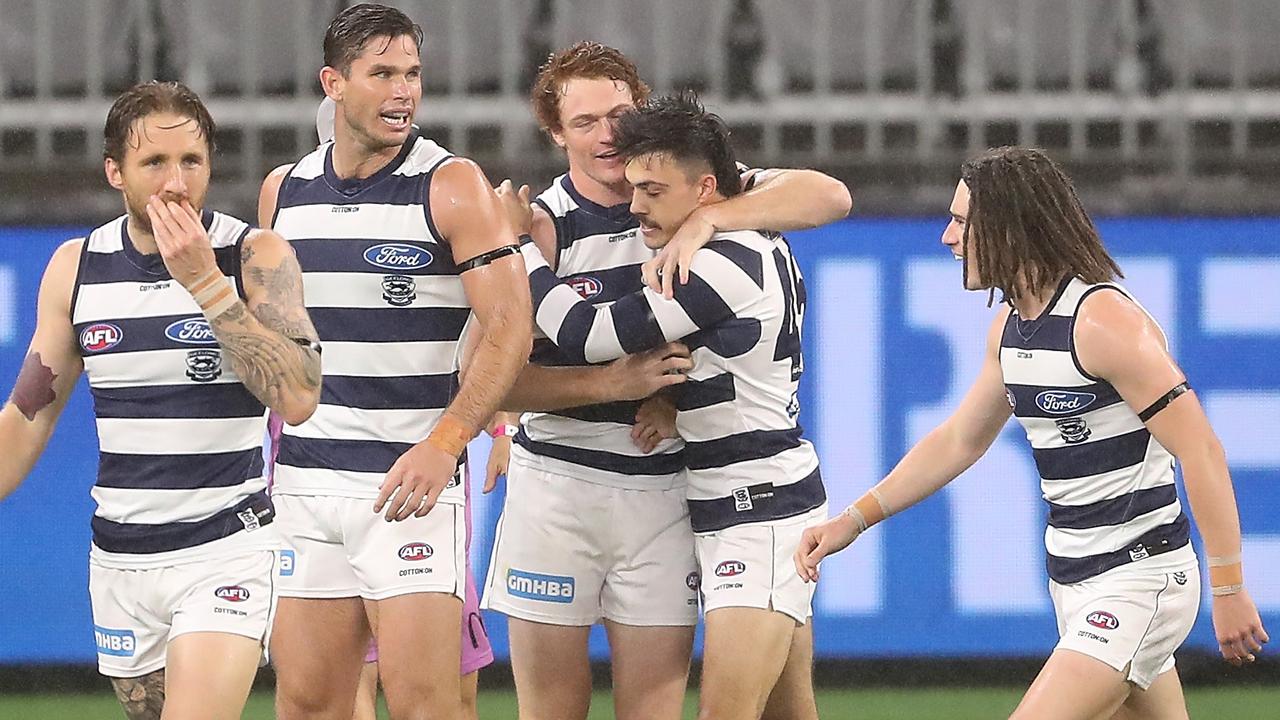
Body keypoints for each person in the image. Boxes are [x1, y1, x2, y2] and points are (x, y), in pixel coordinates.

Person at [795, 146, 1269, 720]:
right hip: (1074, 583)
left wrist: (1228, 587)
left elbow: (1202, 449)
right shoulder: (1009, 330)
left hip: (1140, 578)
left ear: (1010, 227)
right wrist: (853, 519)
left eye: (962, 223)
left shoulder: (1103, 321)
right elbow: (959, 441)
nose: (948, 237)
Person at [481, 43, 850, 720]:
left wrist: (714, 216)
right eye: (585, 121)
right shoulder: (548, 223)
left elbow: (831, 193)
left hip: (672, 494)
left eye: (620, 114)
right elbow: (482, 383)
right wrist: (610, 387)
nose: (608, 136)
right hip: (562, 491)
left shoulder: (686, 194)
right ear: (555, 132)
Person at [0, 80, 321, 720]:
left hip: (226, 547)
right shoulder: (77, 265)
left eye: (191, 162)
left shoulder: (252, 254)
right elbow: (27, 415)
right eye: (154, 163)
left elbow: (298, 396)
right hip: (121, 559)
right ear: (115, 171)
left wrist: (205, 283)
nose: (176, 182)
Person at [257, 4, 531, 720]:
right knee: (308, 704)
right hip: (304, 486)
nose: (403, 90)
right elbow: (275, 347)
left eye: (411, 73)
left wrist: (448, 444)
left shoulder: (451, 184)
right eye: (382, 73)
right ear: (334, 83)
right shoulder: (282, 191)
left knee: (424, 707)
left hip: (410, 488)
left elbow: (510, 326)